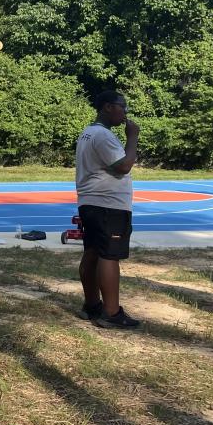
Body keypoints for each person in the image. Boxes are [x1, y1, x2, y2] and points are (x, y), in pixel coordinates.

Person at [75, 90, 141, 328]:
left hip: (91, 203)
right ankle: (111, 313)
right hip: (108, 204)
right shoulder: (103, 136)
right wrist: (132, 137)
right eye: (122, 106)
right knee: (109, 256)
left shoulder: (88, 132)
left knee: (92, 252)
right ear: (107, 107)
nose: (125, 112)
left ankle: (92, 305)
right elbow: (124, 165)